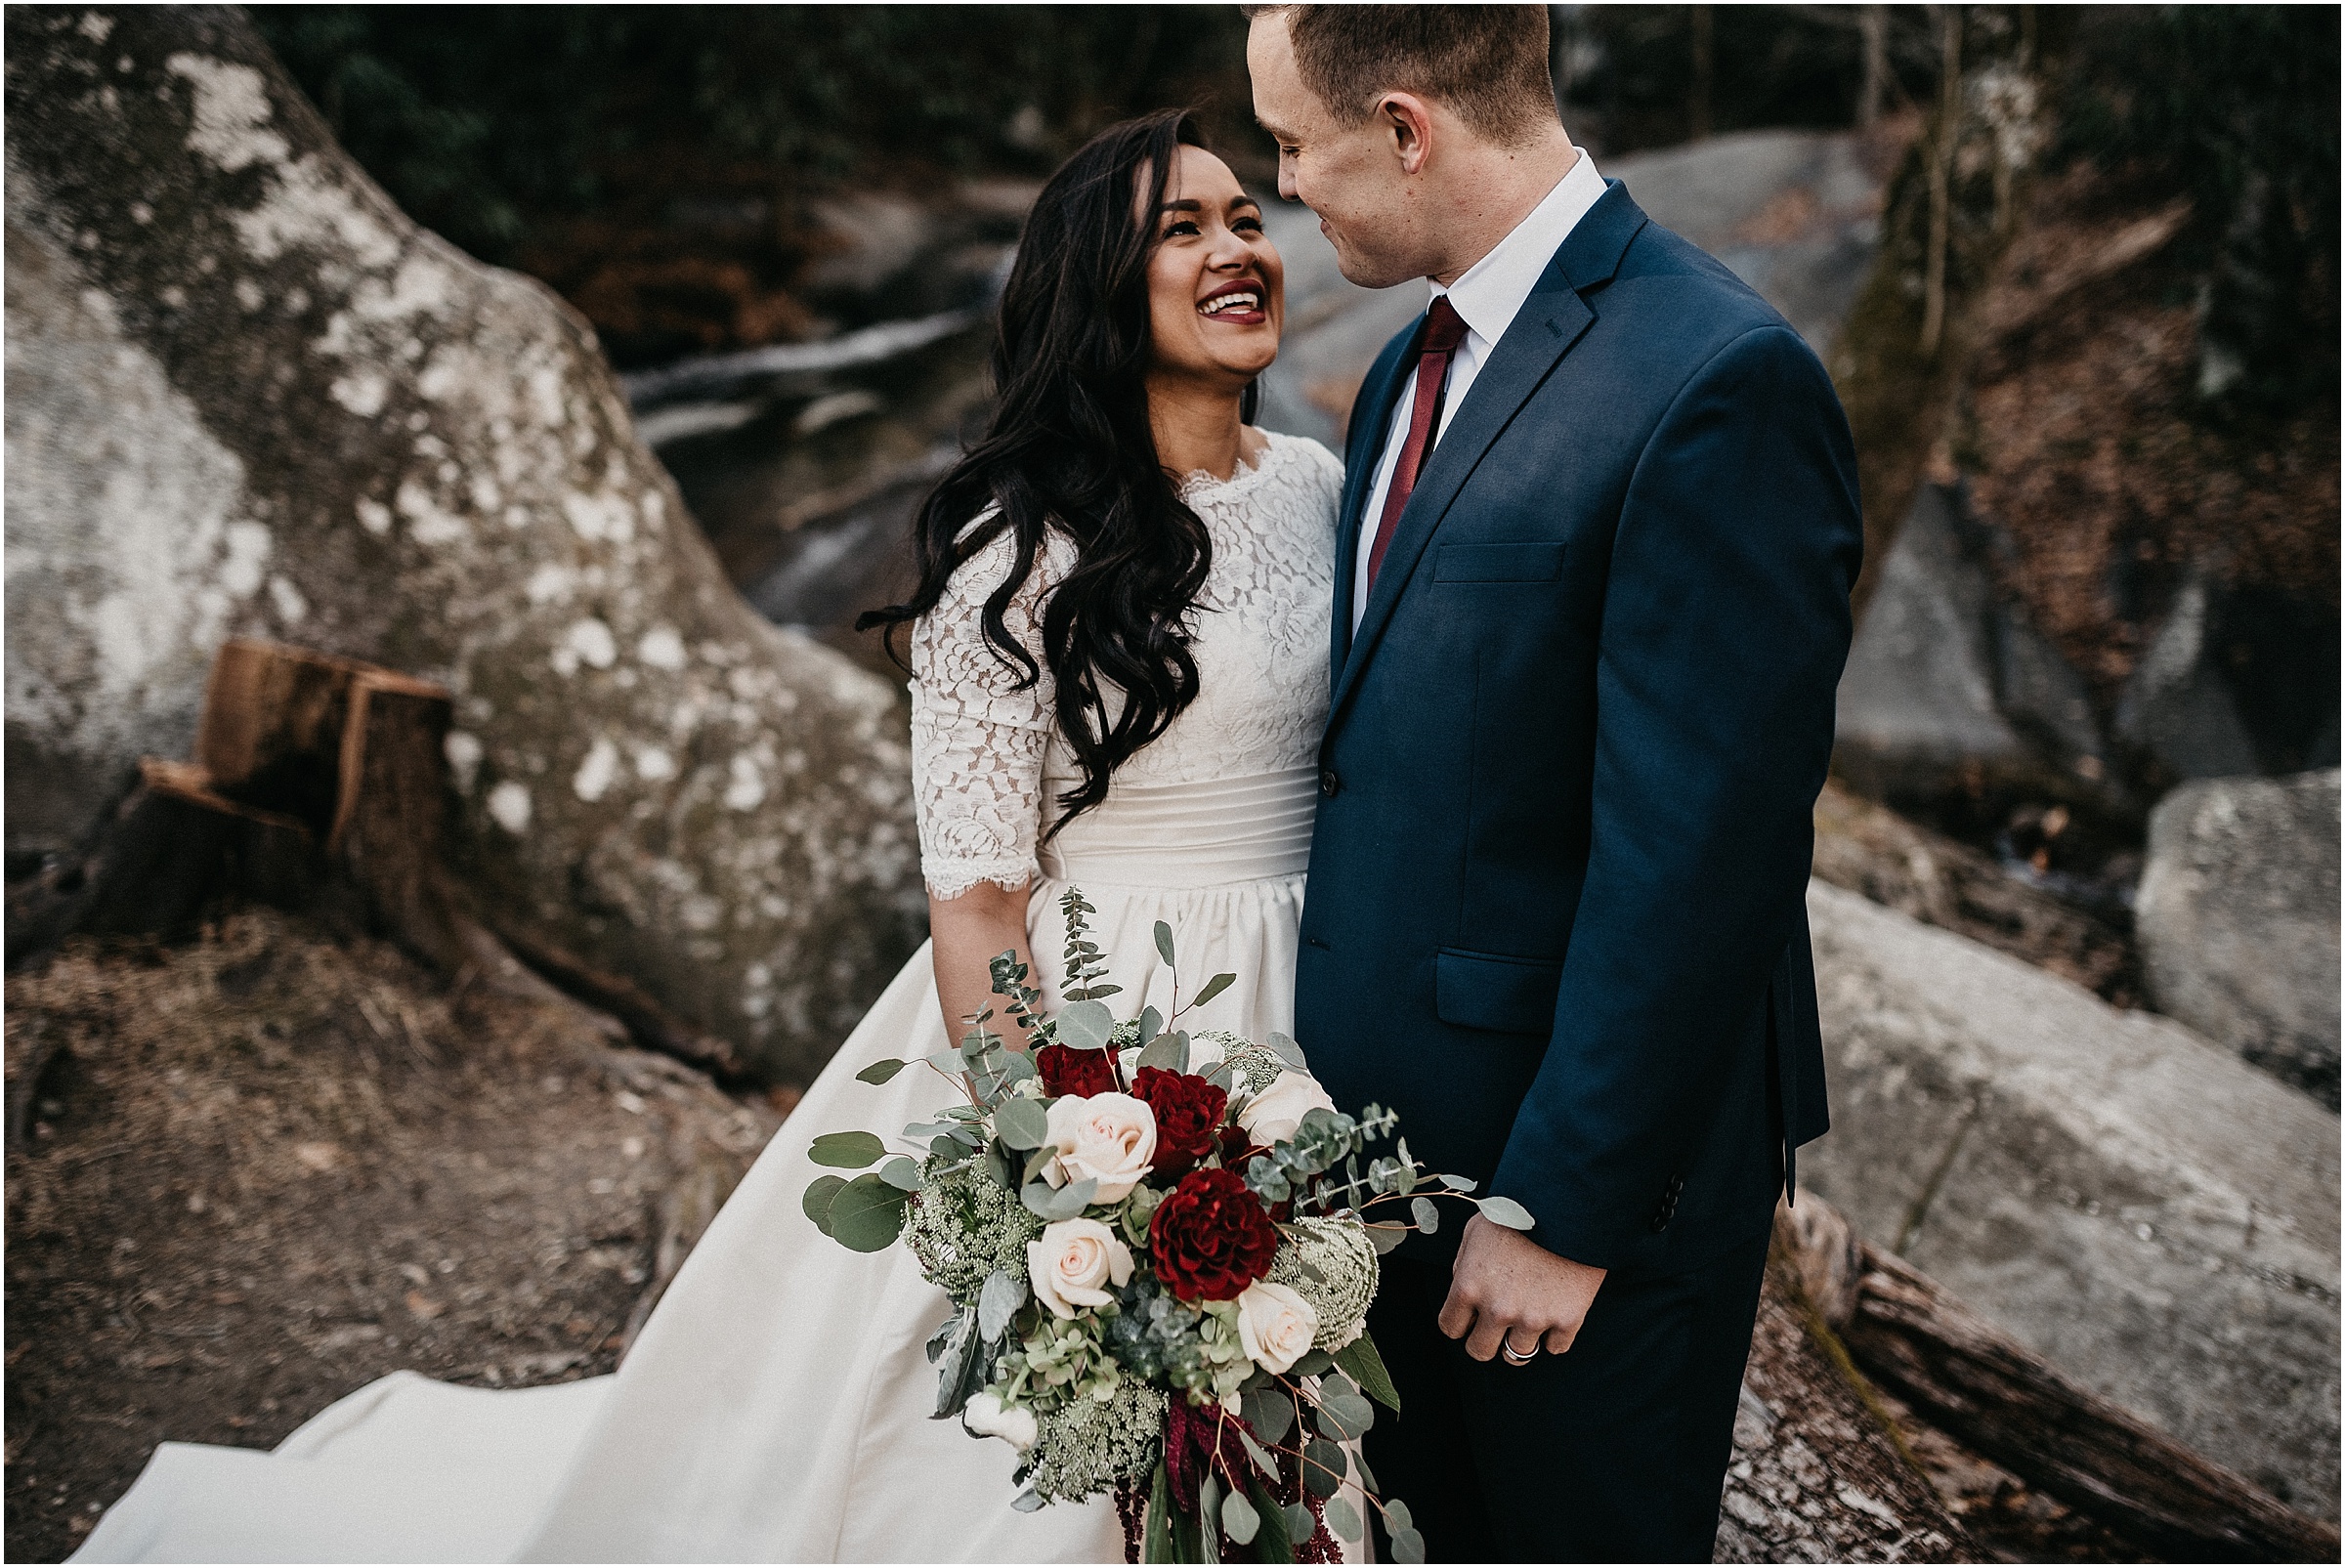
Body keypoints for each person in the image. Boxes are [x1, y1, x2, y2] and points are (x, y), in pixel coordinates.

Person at [72, 109, 1347, 1563]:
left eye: (1246, 216)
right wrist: (1055, 1158)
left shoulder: (1316, 491)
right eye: (1179, 230)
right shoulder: (1018, 551)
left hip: (1307, 991)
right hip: (1099, 1037)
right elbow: (981, 901)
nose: (1237, 249)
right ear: (1096, 286)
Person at [1246, 5, 1861, 1561]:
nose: (1284, 186)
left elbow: (1703, 854)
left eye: (1295, 145)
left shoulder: (1719, 378)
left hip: (1566, 1209)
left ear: (1403, 129)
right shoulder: (1401, 380)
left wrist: (1560, 1211)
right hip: (1386, 1189)